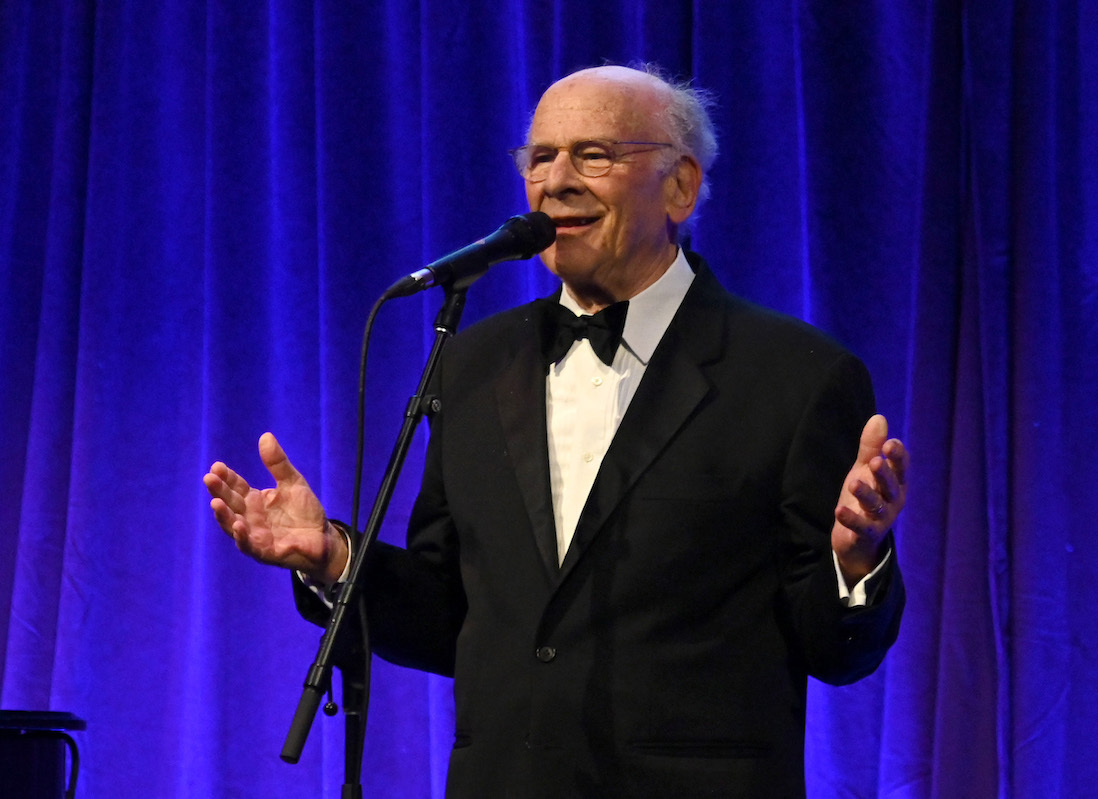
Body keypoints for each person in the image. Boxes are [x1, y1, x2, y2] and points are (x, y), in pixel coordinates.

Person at [204, 64, 908, 797]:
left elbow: (838, 651)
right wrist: (335, 559)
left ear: (680, 186)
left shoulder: (795, 375)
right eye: (540, 158)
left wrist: (856, 562)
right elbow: (451, 614)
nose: (557, 181)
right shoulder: (471, 363)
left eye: (594, 155)